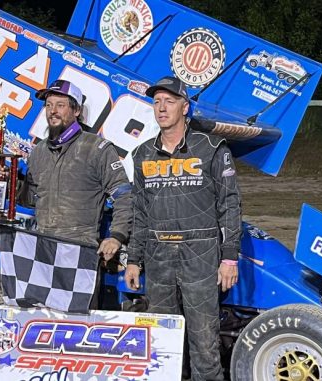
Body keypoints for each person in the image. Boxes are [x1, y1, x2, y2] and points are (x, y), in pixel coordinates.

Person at [124, 76, 242, 381]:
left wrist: (229, 258)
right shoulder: (142, 155)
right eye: (157, 102)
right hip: (158, 254)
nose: (161, 108)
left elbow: (230, 205)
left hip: (200, 253)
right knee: (163, 340)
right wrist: (134, 259)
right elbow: (139, 212)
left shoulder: (213, 148)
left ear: (185, 107)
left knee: (204, 340)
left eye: (170, 101)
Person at [0, 79, 132, 308]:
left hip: (79, 251)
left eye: (60, 105)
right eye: (48, 105)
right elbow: (29, 199)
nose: (52, 111)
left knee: (78, 325)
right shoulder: (38, 151)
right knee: (41, 321)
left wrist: (116, 236)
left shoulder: (97, 147)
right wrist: (7, 183)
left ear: (76, 110)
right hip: (41, 249)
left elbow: (124, 195)